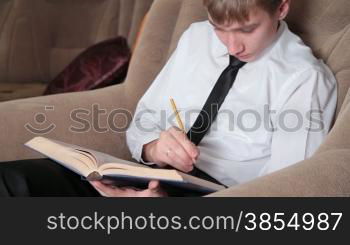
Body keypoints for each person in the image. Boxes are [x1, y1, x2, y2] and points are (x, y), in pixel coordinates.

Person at [0, 0, 337, 197]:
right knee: (15, 182)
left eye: (247, 29)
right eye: (220, 28)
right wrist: (153, 148)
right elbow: (145, 120)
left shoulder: (303, 78)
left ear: (281, 7)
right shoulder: (196, 38)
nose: (232, 46)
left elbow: (281, 194)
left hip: (217, 199)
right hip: (148, 175)